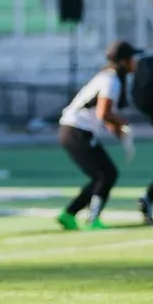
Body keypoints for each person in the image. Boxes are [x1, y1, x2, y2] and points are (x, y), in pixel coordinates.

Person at [57, 40, 139, 231]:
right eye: (132, 58)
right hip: (76, 130)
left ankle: (69, 214)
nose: (135, 63)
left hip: (73, 130)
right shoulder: (111, 80)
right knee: (106, 174)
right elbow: (104, 113)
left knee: (101, 175)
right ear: (124, 61)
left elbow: (104, 116)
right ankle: (92, 219)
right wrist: (125, 124)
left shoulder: (109, 77)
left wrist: (122, 136)